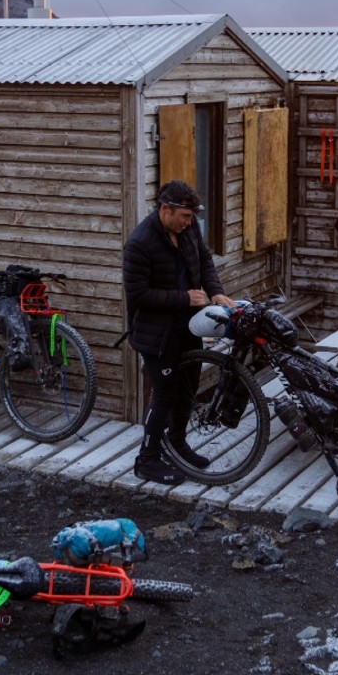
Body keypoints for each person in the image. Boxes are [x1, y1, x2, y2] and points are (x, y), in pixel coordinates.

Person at [122, 180, 235, 485]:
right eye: (184, 216)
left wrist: (216, 292)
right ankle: (146, 460)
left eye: (191, 217)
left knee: (188, 389)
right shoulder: (140, 243)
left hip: (188, 324)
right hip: (155, 333)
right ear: (165, 209)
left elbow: (205, 260)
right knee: (164, 395)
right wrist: (182, 297)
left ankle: (178, 442)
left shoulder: (188, 230)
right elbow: (137, 294)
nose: (189, 222)